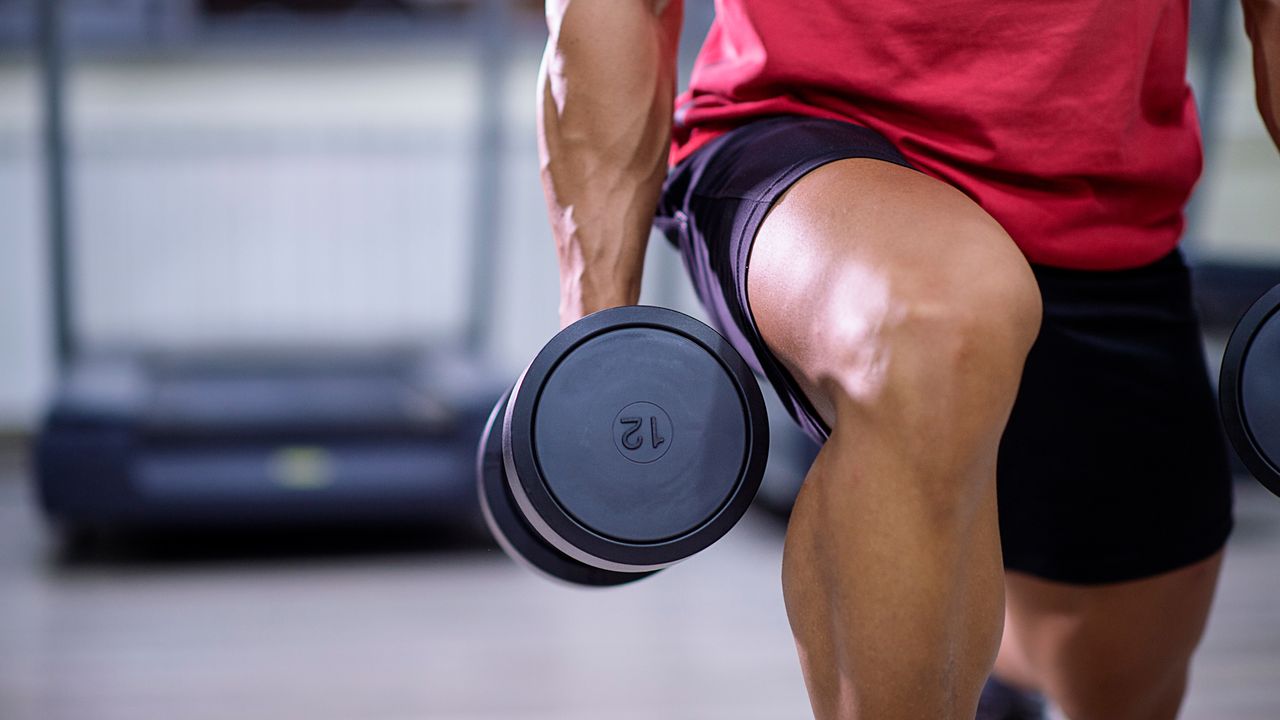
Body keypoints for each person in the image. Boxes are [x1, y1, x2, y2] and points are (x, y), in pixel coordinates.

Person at [535, 0, 1280, 717]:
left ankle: (988, 675)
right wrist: (598, 344)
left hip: (1100, 198)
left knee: (1113, 672)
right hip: (802, 135)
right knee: (934, 317)